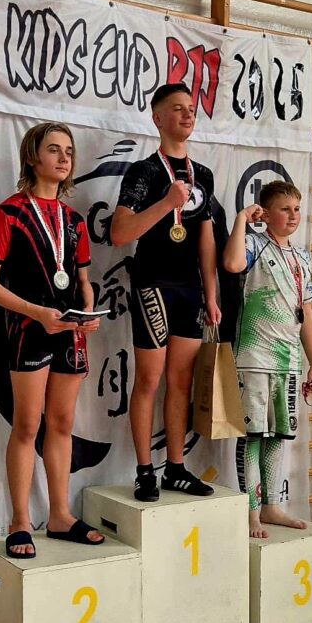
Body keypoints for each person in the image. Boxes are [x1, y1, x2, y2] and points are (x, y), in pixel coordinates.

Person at [0, 122, 104, 558]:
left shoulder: (74, 221)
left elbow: (82, 282)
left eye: (69, 151)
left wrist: (87, 313)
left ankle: (60, 515)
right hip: (29, 331)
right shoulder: (9, 214)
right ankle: (19, 521)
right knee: (28, 425)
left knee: (62, 424)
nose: (64, 158)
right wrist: (35, 313)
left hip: (70, 334)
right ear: (32, 157)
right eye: (54, 149)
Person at [111, 83, 221, 502]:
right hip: (152, 283)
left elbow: (206, 238)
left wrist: (211, 294)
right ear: (157, 118)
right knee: (149, 379)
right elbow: (119, 233)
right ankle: (144, 471)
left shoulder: (203, 175)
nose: (187, 114)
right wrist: (166, 203)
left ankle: (175, 467)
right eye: (177, 108)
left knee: (181, 381)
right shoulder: (144, 172)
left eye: (191, 108)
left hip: (190, 289)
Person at [223, 181, 312, 538]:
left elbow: (306, 312)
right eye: (284, 209)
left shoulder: (302, 257)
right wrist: (241, 220)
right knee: (253, 435)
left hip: (288, 359)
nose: (293, 216)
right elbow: (231, 263)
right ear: (265, 213)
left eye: (297, 209)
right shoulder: (253, 244)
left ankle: (271, 506)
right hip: (254, 355)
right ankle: (251, 510)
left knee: (279, 435)